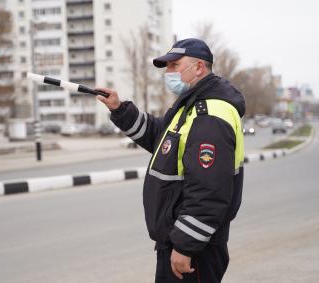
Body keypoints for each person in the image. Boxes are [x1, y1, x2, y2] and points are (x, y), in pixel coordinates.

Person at [96, 38, 245, 282]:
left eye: (175, 66)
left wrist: (186, 245)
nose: (169, 73)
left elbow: (209, 189)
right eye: (167, 67)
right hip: (180, 239)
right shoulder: (191, 106)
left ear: (199, 67)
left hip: (196, 248)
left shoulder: (210, 115)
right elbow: (160, 138)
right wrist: (120, 109)